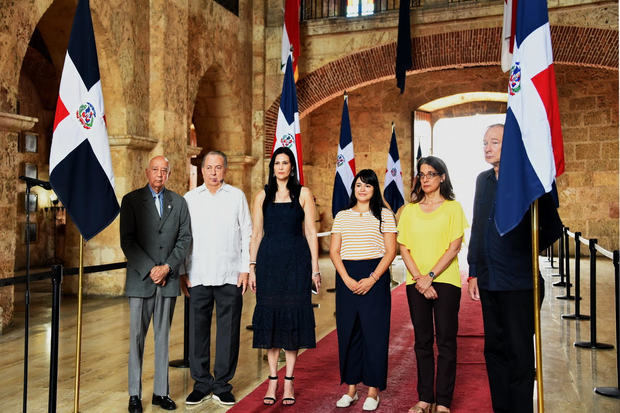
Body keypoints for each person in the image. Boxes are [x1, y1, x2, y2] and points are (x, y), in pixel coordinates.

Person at [467, 124, 561, 413]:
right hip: (488, 280)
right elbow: (477, 227)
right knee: (493, 351)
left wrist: (522, 249)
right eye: (484, 142)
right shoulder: (483, 180)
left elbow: (552, 229)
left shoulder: (528, 181)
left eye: (495, 142)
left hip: (520, 282)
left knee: (519, 354)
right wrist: (473, 270)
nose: (487, 147)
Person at [249, 146, 321, 406]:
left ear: (292, 167)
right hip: (269, 263)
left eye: (285, 162)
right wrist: (252, 267)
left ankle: (289, 381)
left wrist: (314, 268)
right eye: (277, 163)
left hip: (296, 263)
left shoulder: (303, 194)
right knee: (271, 321)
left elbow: (311, 232)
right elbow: (256, 234)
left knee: (291, 320)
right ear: (273, 168)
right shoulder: (262, 196)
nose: (280, 167)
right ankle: (272, 381)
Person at [120, 156, 192, 413]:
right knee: (137, 339)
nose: (160, 174)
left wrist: (168, 267)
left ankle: (161, 392)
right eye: (155, 170)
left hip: (168, 281)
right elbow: (127, 241)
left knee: (163, 338)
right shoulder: (131, 201)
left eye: (164, 171)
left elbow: (185, 239)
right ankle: (134, 395)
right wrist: (151, 269)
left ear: (169, 174)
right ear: (146, 171)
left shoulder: (179, 203)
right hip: (141, 281)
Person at [181, 150, 252, 406]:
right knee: (197, 332)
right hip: (197, 274)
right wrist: (182, 272)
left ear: (225, 170)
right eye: (209, 167)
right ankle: (201, 384)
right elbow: (184, 237)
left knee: (229, 331)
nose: (213, 172)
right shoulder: (189, 199)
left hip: (230, 274)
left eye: (218, 167)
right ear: (202, 170)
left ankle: (222, 384)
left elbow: (247, 233)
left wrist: (245, 269)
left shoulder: (237, 197)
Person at [397, 156, 468, 413]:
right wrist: (420, 279)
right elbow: (403, 247)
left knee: (446, 340)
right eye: (422, 174)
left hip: (445, 281)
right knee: (422, 340)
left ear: (442, 177)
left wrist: (430, 276)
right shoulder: (410, 210)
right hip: (415, 283)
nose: (425, 178)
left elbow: (454, 247)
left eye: (431, 173)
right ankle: (425, 398)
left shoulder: (453, 208)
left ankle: (444, 402)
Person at [330, 169, 397, 412]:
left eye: (367, 185)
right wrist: (346, 278)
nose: (362, 189)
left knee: (375, 334)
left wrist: (373, 278)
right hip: (346, 276)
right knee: (349, 333)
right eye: (358, 185)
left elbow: (390, 251)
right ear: (354, 188)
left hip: (375, 276)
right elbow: (334, 251)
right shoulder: (342, 215)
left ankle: (372, 391)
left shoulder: (385, 215)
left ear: (374, 189)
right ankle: (350, 389)